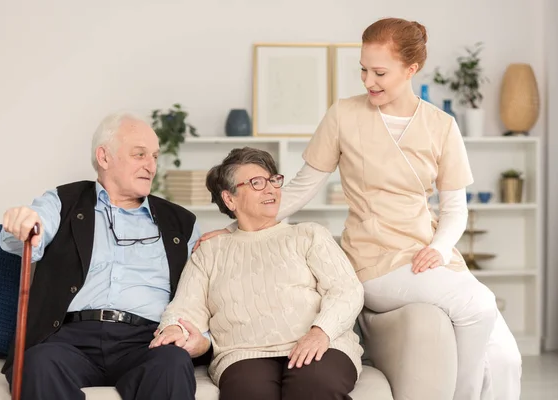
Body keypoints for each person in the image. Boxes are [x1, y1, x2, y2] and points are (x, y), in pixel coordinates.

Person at [196, 18, 522, 400]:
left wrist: (439, 248)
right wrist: (238, 228)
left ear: (411, 69)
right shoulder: (344, 115)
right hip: (374, 262)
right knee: (479, 301)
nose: (368, 81)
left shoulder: (442, 126)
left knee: (506, 360)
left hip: (428, 258)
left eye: (379, 72)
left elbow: (454, 210)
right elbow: (301, 187)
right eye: (363, 70)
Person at [0, 111, 209, 400]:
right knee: (37, 364)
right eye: (140, 155)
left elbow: (202, 291)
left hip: (147, 340)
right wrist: (23, 223)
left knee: (172, 363)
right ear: (104, 157)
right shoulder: (63, 202)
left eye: (155, 157)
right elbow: (28, 233)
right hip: (68, 337)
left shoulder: (181, 222)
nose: (151, 166)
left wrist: (203, 340)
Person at [150, 147, 364, 400]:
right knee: (249, 393)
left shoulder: (308, 234)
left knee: (314, 385)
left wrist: (321, 331)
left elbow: (346, 290)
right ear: (230, 199)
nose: (271, 189)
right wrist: (175, 329)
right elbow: (185, 308)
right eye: (257, 183)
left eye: (273, 180)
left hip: (320, 342)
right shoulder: (210, 251)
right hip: (244, 353)